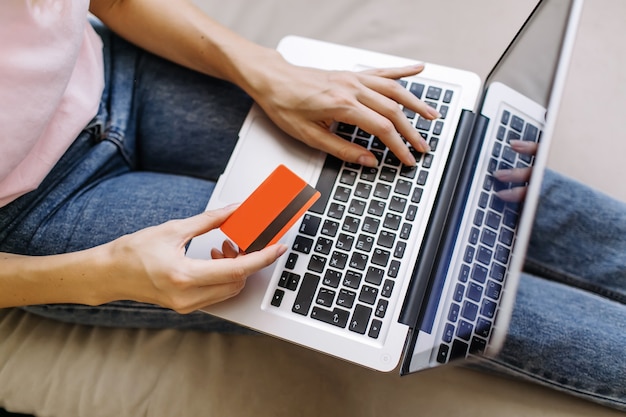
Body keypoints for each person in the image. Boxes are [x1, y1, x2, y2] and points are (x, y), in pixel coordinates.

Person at [0, 0, 624, 412]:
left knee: (448, 158)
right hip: (46, 208)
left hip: (117, 67)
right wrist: (107, 278)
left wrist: (264, 69)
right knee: (384, 272)